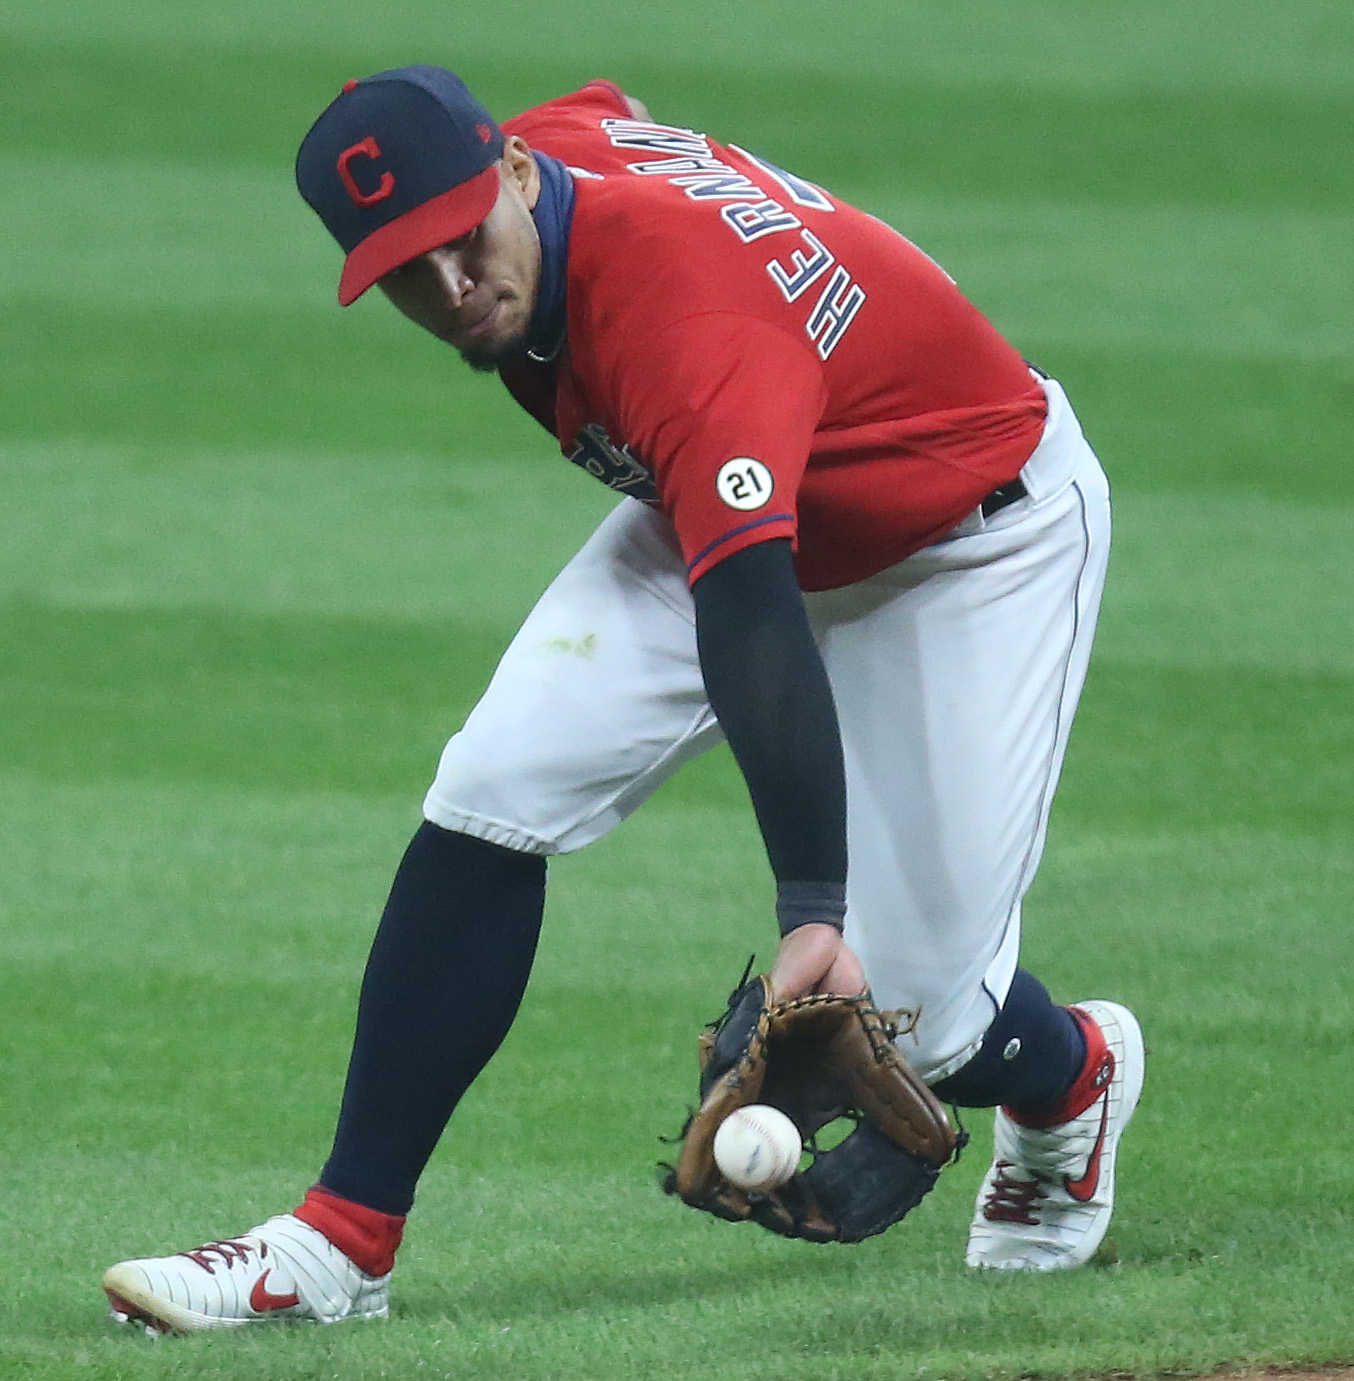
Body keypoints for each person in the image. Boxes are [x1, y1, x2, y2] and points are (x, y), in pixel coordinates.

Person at [102, 66, 1144, 1334]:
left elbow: (751, 614)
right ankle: (340, 1246)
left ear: (514, 178)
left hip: (965, 541)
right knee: (494, 788)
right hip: (734, 483)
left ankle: (1070, 1076)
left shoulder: (679, 318)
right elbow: (616, 109)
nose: (447, 290)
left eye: (457, 243)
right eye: (400, 273)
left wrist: (813, 911)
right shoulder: (550, 156)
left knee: (912, 1025)